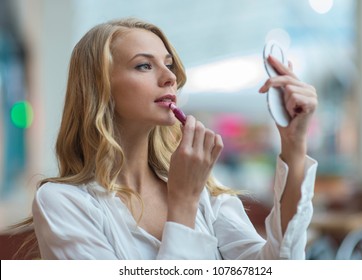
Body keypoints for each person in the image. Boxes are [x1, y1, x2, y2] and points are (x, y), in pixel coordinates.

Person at [30, 17, 318, 259]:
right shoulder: (62, 202)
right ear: (99, 88)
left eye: (168, 64)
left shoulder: (203, 193)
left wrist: (294, 143)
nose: (170, 77)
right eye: (144, 65)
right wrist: (182, 203)